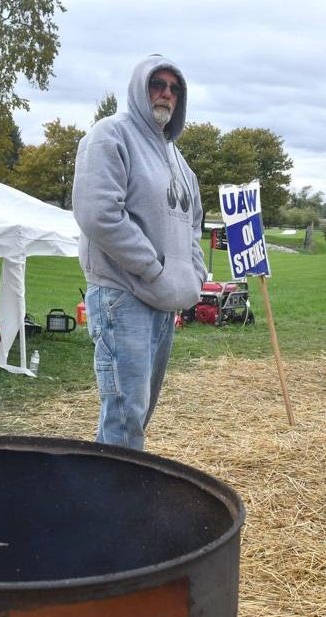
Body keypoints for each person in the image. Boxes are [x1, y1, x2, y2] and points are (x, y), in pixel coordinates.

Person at [72, 54, 206, 451]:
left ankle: (110, 497)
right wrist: (154, 269)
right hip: (123, 295)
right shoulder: (109, 135)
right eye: (157, 84)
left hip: (163, 302)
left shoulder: (178, 161)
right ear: (139, 88)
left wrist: (191, 275)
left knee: (138, 414)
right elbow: (98, 214)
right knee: (124, 416)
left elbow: (193, 223)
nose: (165, 94)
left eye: (173, 88)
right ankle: (110, 507)